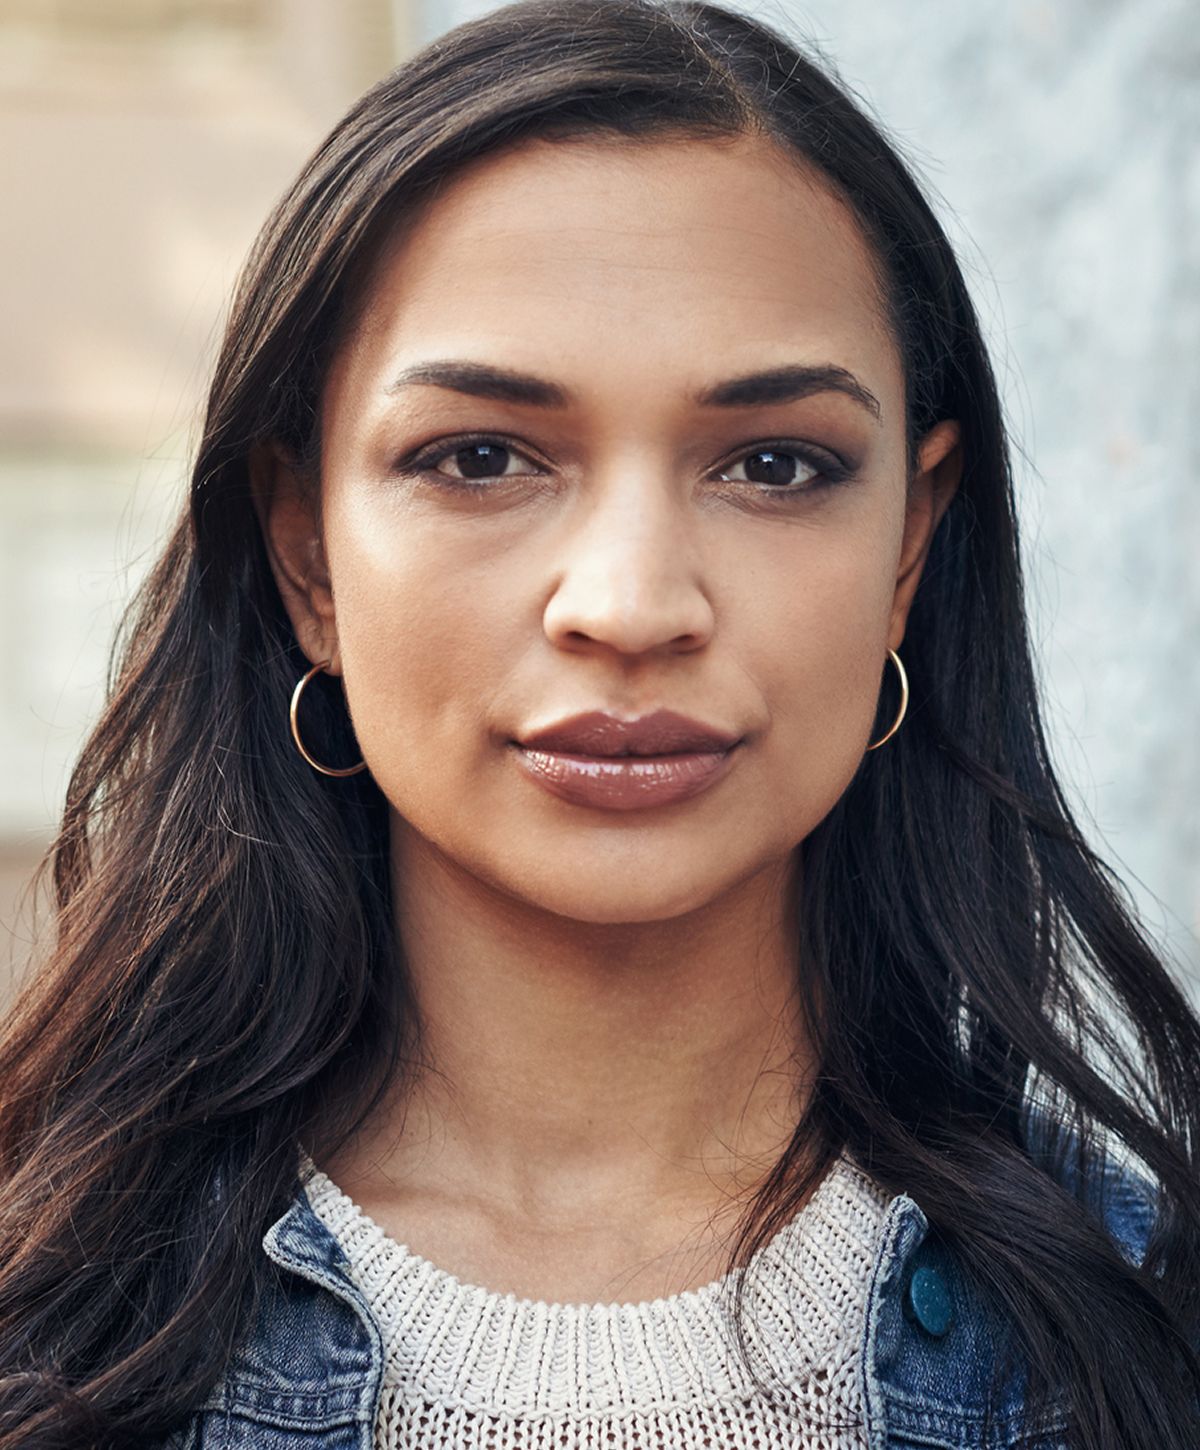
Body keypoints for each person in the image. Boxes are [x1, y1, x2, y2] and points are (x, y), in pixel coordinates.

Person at [0, 1, 1197, 1446]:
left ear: (909, 551)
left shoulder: (1147, 1326)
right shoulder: (44, 1323)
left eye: (773, 463)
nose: (631, 603)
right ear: (308, 554)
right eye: (482, 456)